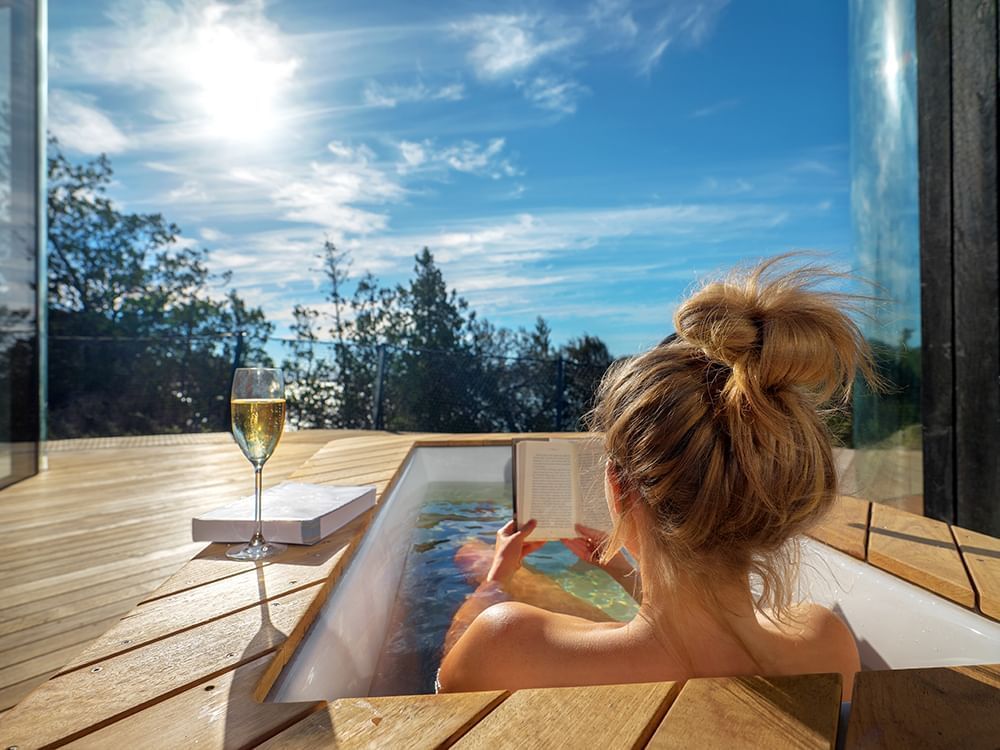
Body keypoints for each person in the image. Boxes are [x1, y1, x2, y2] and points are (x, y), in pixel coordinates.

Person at [437, 257, 877, 700]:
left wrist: (494, 581)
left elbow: (447, 689)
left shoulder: (506, 643)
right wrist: (621, 567)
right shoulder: (826, 645)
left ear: (617, 488)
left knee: (470, 558)